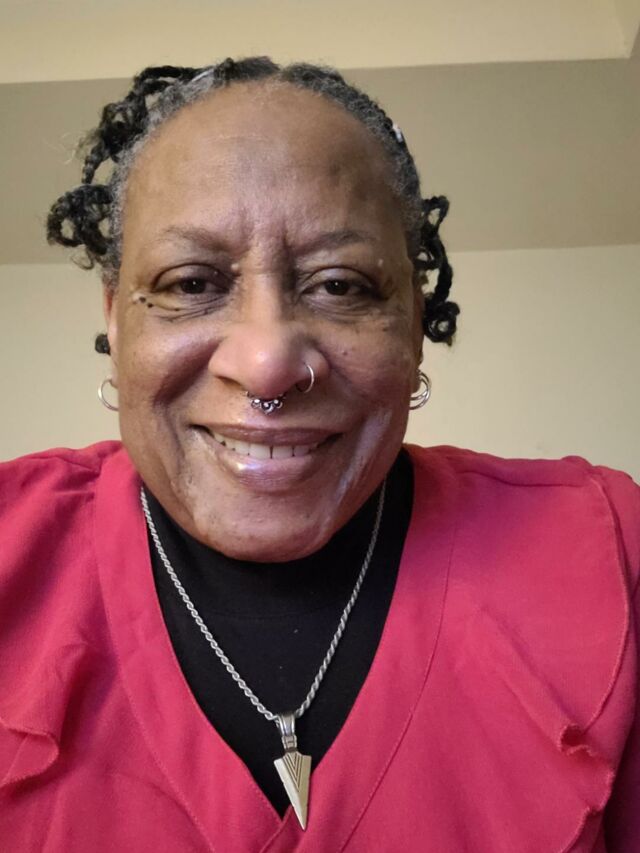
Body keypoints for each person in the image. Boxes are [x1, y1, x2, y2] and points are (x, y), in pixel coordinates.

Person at [0, 57, 638, 852]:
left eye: (340, 286)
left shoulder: (610, 551)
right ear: (116, 321)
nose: (267, 364)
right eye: (191, 283)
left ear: (413, 324)